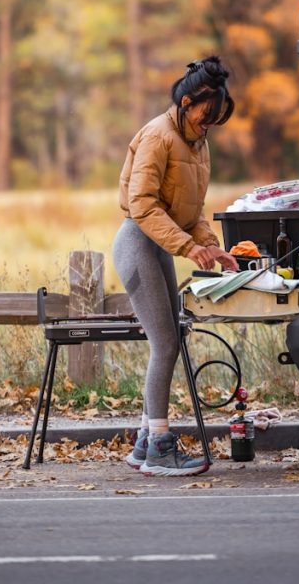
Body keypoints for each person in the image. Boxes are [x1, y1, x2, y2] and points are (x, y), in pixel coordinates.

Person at [113, 56, 240, 477]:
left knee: (172, 341)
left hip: (159, 247)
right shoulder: (158, 136)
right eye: (205, 117)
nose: (208, 127)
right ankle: (160, 449)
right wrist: (188, 248)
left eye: (215, 121)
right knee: (164, 344)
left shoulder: (195, 144)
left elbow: (192, 211)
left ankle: (146, 441)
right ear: (186, 103)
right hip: (138, 244)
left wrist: (211, 247)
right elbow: (142, 205)